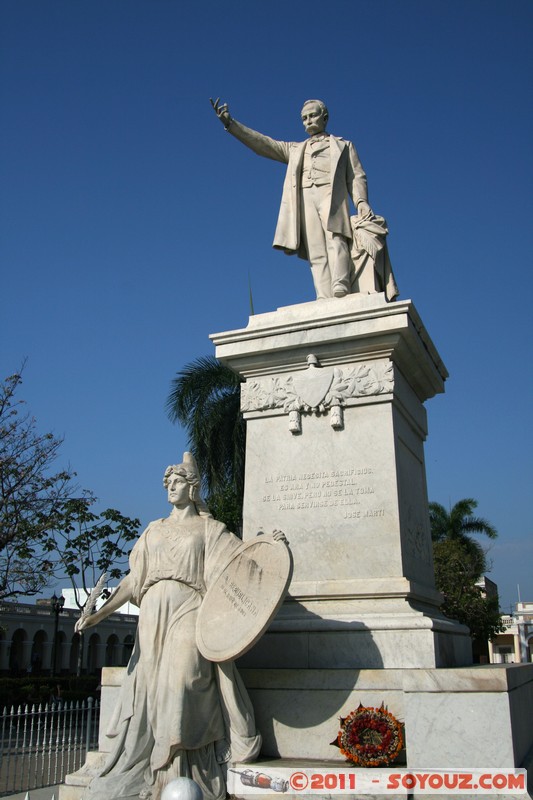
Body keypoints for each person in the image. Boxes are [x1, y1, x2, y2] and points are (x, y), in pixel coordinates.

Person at [75, 454, 268, 800]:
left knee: (184, 682)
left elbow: (242, 564)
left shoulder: (211, 529)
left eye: (177, 482)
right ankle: (161, 776)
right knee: (154, 690)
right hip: (152, 614)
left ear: (192, 487)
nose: (170, 487)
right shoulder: (154, 530)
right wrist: (98, 614)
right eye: (167, 483)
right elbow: (134, 581)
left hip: (190, 607)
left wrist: (270, 545)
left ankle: (189, 770)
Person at [211, 97, 372, 300]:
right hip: (306, 196)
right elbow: (264, 144)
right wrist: (231, 124)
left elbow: (357, 176)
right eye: (304, 118)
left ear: (325, 117)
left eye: (312, 115)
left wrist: (361, 202)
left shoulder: (344, 146)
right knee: (315, 247)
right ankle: (323, 294)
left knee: (336, 237)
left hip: (331, 195)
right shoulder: (295, 149)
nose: (308, 121)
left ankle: (341, 284)